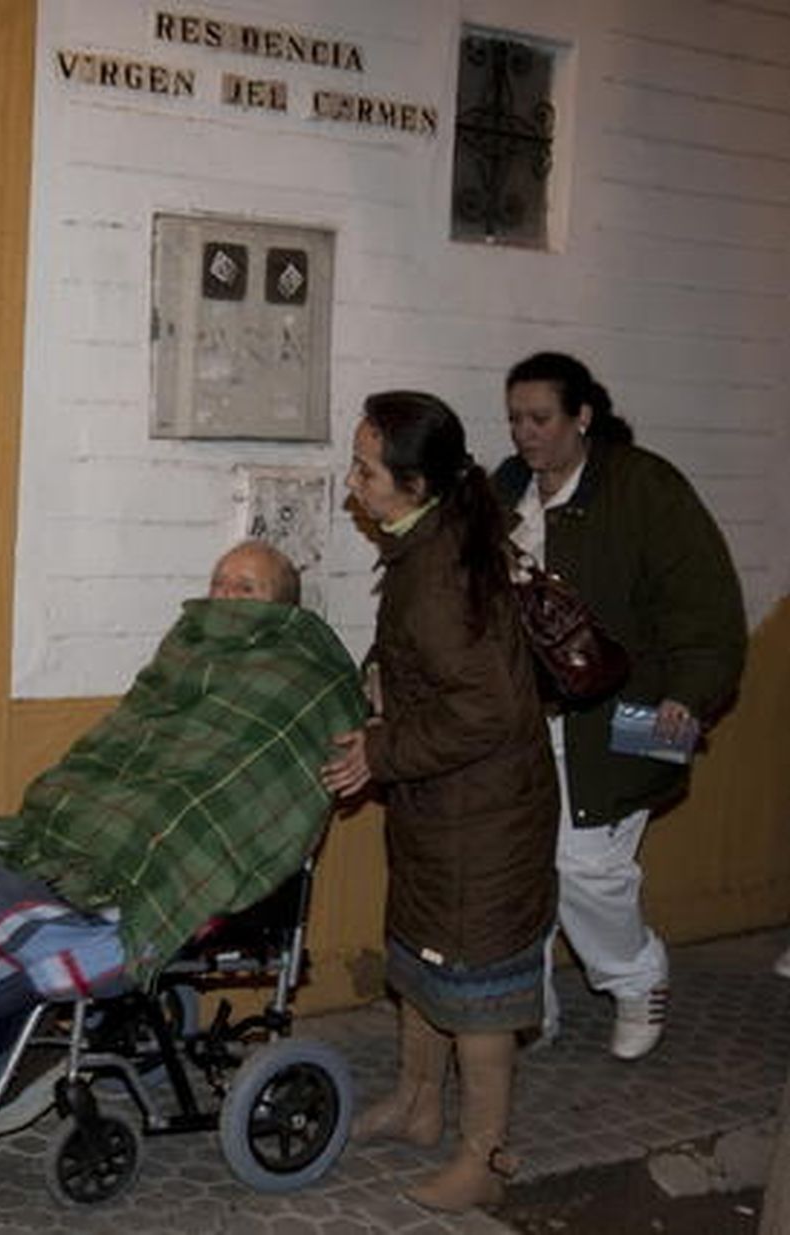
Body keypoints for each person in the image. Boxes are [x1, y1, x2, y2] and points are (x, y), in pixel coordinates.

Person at [0, 540, 367, 1125]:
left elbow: (243, 793)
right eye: (219, 583)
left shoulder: (304, 681)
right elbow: (132, 739)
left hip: (173, 858)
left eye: (246, 589)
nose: (225, 598)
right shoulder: (186, 649)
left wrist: (159, 817)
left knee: (162, 826)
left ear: (284, 609)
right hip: (91, 841)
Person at [321, 391, 557, 1213]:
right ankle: (420, 1106)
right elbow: (426, 667)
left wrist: (381, 751)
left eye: (365, 469)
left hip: (482, 817)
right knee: (423, 956)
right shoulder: (427, 541)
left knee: (479, 986)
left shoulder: (443, 569)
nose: (352, 484)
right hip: (443, 804)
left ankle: (484, 1154)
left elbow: (486, 707)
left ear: (416, 483)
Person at [494, 352, 746, 1059]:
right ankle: (526, 1005)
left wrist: (690, 696)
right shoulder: (505, 492)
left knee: (586, 864)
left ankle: (638, 979)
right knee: (522, 863)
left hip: (639, 712)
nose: (525, 433)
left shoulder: (645, 488)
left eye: (540, 418)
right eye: (515, 418)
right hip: (529, 721)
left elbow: (705, 606)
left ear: (583, 416)